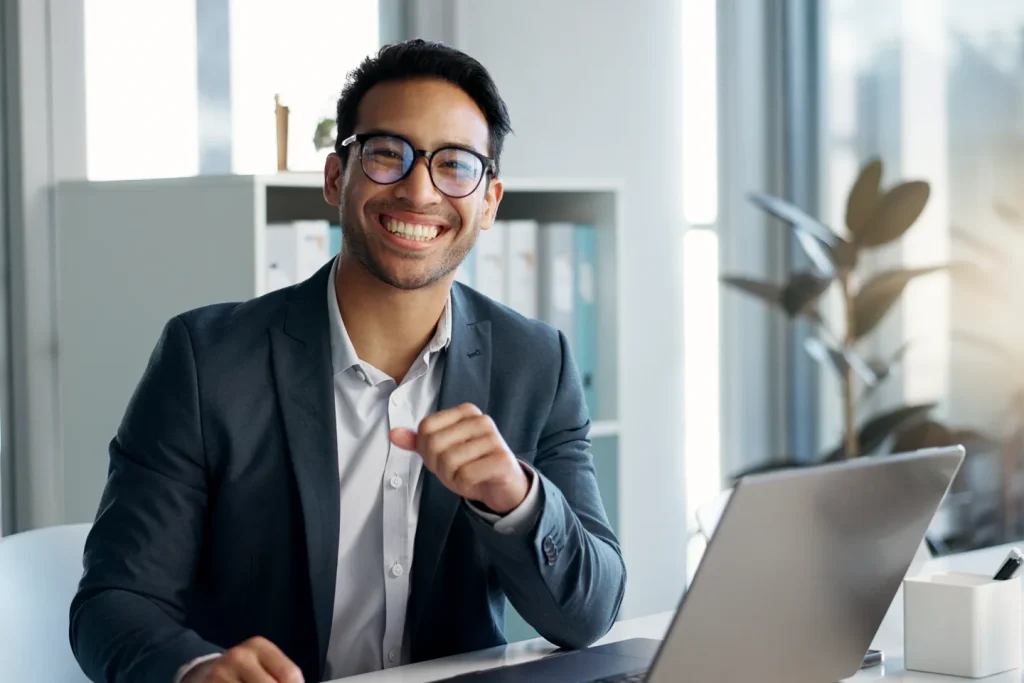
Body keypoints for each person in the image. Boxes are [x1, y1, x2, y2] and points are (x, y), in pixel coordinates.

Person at [69, 39, 624, 683]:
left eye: (456, 165)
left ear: (490, 201)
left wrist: (518, 500)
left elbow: (591, 613)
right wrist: (195, 670)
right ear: (337, 177)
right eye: (388, 155)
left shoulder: (538, 363)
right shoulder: (206, 361)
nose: (419, 191)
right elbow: (116, 601)